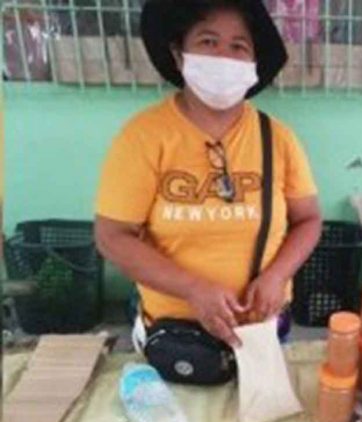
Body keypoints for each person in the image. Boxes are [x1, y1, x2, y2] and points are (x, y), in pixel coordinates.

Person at [94, 0, 321, 384]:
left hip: (262, 331)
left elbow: (309, 219)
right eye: (208, 40)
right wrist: (193, 289)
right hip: (177, 336)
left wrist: (276, 277)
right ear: (178, 54)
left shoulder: (278, 139)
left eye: (238, 46)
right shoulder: (144, 137)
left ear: (253, 64)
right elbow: (112, 236)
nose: (223, 56)